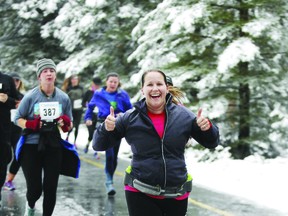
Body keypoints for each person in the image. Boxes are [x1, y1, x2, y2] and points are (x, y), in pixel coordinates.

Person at [92, 69, 220, 216]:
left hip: (176, 193)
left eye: (159, 84)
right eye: (149, 84)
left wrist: (207, 128)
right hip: (140, 191)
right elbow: (98, 145)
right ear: (142, 90)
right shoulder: (130, 117)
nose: (154, 88)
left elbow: (212, 142)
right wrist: (106, 129)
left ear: (167, 88)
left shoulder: (184, 116)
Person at [14, 58, 75, 216]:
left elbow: (69, 125)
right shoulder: (30, 96)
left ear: (55, 76)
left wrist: (65, 123)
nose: (49, 73)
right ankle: (31, 205)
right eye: (45, 71)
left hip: (53, 144)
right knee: (35, 189)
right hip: (31, 145)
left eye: (52, 71)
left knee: (50, 187)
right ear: (39, 77)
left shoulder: (63, 98)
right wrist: (32, 124)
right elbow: (17, 119)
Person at [84, 72, 132, 196]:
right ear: (106, 82)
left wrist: (125, 116)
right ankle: (109, 181)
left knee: (114, 155)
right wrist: (88, 118)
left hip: (118, 125)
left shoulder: (122, 95)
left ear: (118, 83)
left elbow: (130, 110)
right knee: (109, 154)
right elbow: (90, 107)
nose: (113, 84)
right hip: (103, 125)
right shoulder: (99, 94)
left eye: (115, 82)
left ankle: (109, 176)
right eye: (111, 81)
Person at [0, 65, 18, 208]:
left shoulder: (6, 80)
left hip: (3, 130)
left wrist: (8, 100)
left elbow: (18, 102)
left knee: (3, 161)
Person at [4, 73, 25, 191]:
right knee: (5, 156)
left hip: (17, 130)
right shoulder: (3, 95)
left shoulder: (23, 97)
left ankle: (9, 180)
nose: (15, 82)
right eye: (13, 80)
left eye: (17, 80)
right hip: (3, 130)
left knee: (19, 154)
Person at [61, 75, 84, 148]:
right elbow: (65, 98)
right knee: (71, 124)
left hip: (79, 110)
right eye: (73, 79)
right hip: (71, 110)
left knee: (77, 126)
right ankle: (67, 137)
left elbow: (83, 97)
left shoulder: (81, 88)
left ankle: (75, 141)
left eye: (76, 79)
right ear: (71, 81)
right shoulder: (68, 88)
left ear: (78, 80)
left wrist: (84, 103)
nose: (74, 81)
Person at [82, 76, 102, 157]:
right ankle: (87, 144)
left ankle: (96, 150)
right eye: (95, 84)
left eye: (98, 85)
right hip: (90, 115)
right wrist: (87, 106)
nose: (96, 86)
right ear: (92, 84)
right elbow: (83, 102)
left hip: (99, 116)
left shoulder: (101, 93)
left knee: (96, 132)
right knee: (91, 133)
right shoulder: (88, 92)